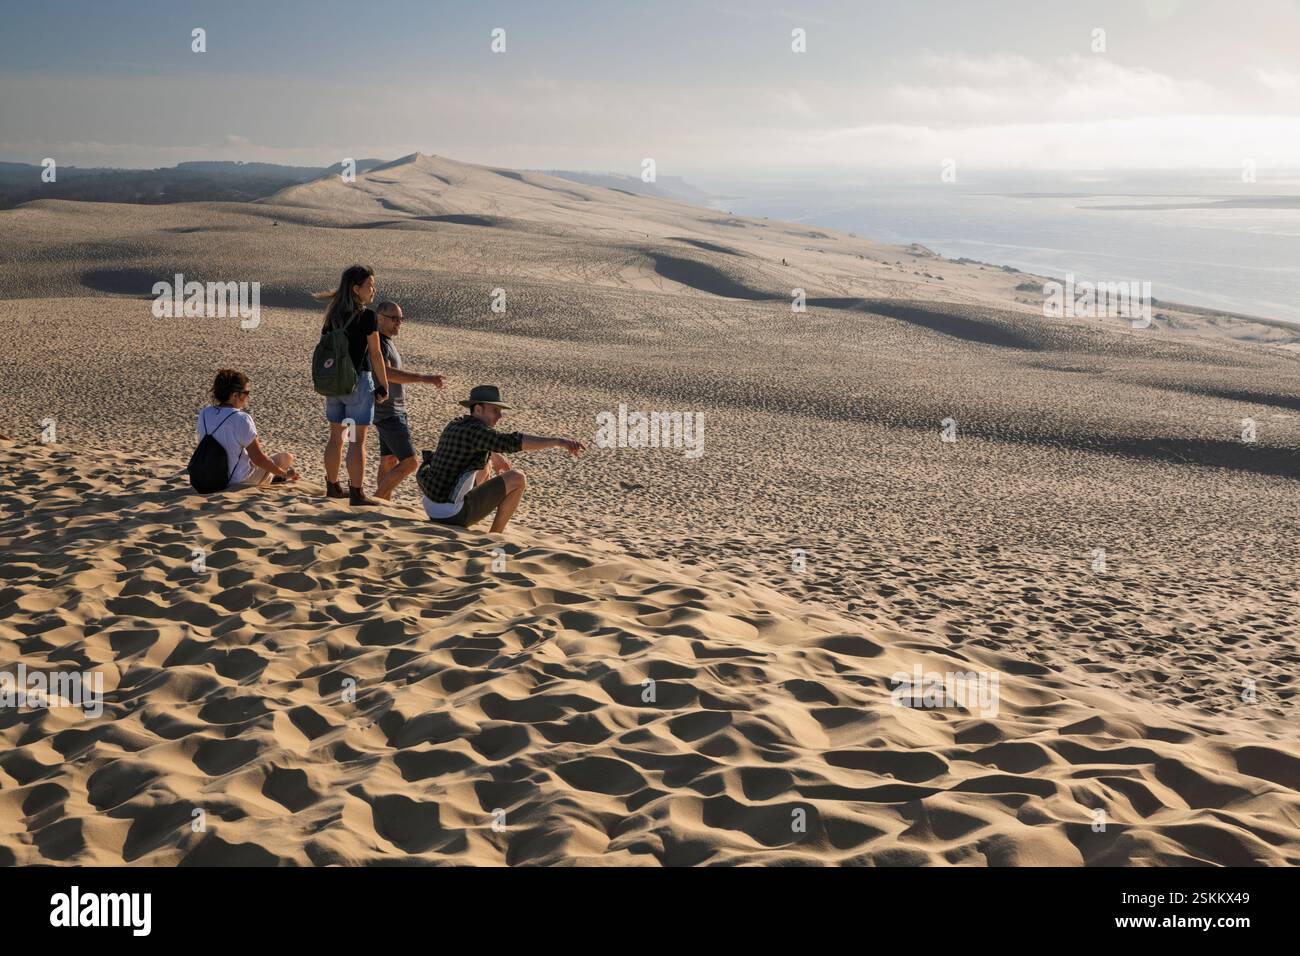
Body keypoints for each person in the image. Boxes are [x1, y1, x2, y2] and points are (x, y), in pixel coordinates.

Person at [416, 385, 584, 533]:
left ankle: (473, 514)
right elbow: (512, 442)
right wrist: (558, 442)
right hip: (451, 514)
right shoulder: (478, 432)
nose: (500, 416)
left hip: (431, 506)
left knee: (486, 464)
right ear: (478, 409)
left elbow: (480, 443)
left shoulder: (456, 424)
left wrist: (495, 456)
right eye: (495, 410)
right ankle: (495, 536)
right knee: (518, 477)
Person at [314, 265, 391, 506]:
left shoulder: (333, 316)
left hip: (334, 385)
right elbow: (377, 354)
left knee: (336, 438)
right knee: (357, 440)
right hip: (357, 384)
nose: (373, 290)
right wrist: (383, 385)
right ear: (356, 289)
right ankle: (357, 493)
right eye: (370, 285)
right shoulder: (367, 316)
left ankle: (333, 486)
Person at [371, 300, 445, 500]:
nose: (399, 323)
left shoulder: (386, 342)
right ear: (379, 317)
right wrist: (422, 378)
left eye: (401, 319)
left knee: (388, 460)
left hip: (391, 411)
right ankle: (376, 500)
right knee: (410, 462)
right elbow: (385, 373)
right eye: (394, 318)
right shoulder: (377, 342)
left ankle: (382, 502)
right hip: (389, 412)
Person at [197, 369, 298, 487]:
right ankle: (276, 478)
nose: (247, 397)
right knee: (286, 457)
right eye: (246, 393)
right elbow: (258, 459)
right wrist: (284, 473)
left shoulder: (204, 413)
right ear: (235, 395)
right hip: (238, 480)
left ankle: (272, 477)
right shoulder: (241, 418)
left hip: (209, 476)